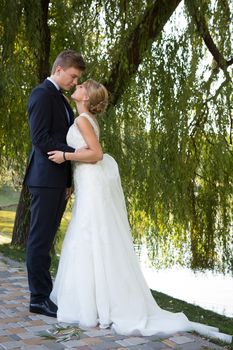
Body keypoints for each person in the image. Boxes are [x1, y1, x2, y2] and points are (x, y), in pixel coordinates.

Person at [48, 80, 232, 343]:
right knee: (91, 236)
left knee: (90, 235)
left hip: (91, 181)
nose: (76, 86)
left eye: (82, 86)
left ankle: (95, 305)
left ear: (86, 97)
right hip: (88, 182)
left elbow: (97, 154)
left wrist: (65, 157)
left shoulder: (82, 121)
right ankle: (96, 302)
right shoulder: (85, 119)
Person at [24, 50, 86, 318]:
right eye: (73, 77)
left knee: (46, 239)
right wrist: (74, 153)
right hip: (45, 179)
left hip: (57, 180)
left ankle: (44, 293)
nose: (74, 82)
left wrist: (69, 178)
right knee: (39, 240)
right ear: (59, 69)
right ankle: (38, 298)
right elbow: (40, 139)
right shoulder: (41, 95)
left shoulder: (60, 99)